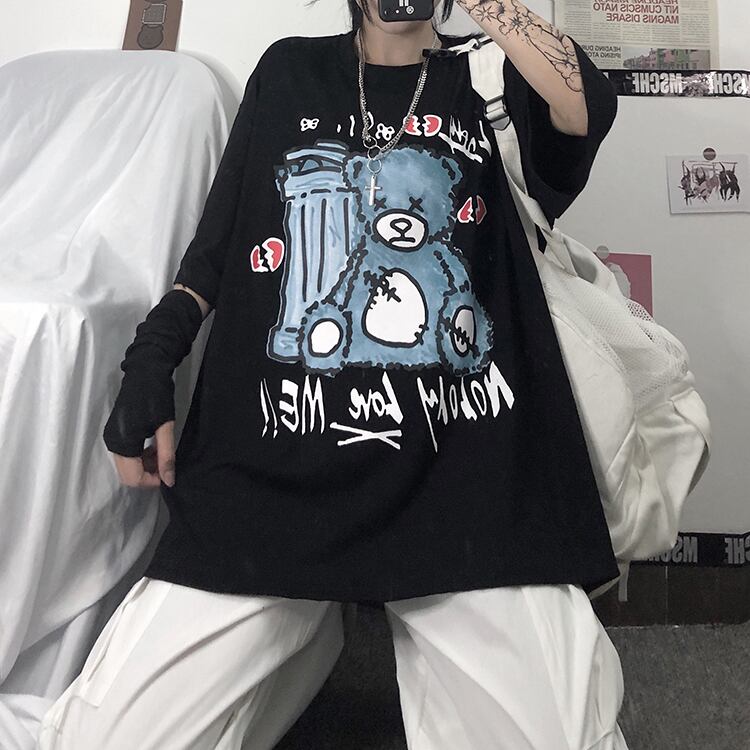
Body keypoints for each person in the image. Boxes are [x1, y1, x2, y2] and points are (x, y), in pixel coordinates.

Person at [37, 0, 630, 747]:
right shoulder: (290, 70)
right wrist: (152, 357)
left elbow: (585, 106)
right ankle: (307, 622)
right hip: (275, 476)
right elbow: (215, 250)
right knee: (107, 739)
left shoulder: (487, 76)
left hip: (468, 480)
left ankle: (315, 624)